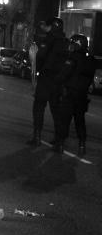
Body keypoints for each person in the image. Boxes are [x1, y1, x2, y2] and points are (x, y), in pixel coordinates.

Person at [26, 17, 69, 148]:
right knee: (57, 112)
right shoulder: (66, 42)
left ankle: (37, 137)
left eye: (47, 26)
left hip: (46, 78)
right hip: (59, 81)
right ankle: (59, 142)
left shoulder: (48, 40)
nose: (45, 28)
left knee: (39, 108)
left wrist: (34, 64)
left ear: (52, 27)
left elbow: (40, 58)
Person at [55, 34, 97, 155]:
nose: (70, 46)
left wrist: (56, 81)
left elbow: (63, 75)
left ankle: (60, 145)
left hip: (70, 94)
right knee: (80, 121)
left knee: (64, 120)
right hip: (82, 96)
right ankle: (82, 145)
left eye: (73, 44)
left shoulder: (73, 58)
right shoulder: (90, 61)